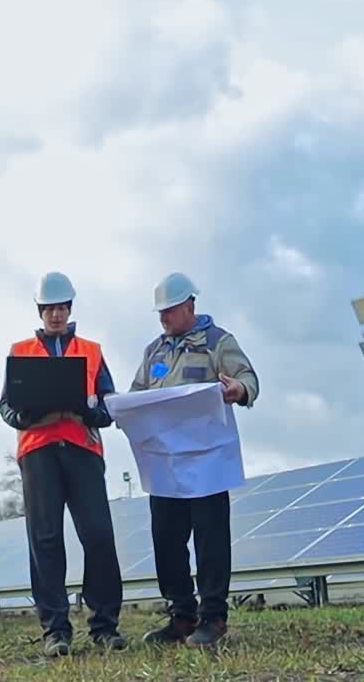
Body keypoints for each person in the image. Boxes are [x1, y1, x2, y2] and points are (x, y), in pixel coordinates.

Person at [0, 272, 126, 656]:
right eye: (49, 308)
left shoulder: (92, 350)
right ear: (40, 311)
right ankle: (55, 629)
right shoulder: (20, 351)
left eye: (62, 307)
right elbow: (5, 406)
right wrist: (28, 419)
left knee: (98, 534)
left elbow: (109, 405)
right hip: (38, 451)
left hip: (83, 450)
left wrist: (86, 411)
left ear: (70, 309)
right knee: (46, 539)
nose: (56, 314)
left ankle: (104, 626)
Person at [130, 271, 259, 648]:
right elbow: (138, 393)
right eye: (160, 313)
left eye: (169, 311)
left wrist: (239, 389)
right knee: (166, 539)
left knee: (210, 539)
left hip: (206, 463)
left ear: (190, 305)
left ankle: (213, 617)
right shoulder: (154, 350)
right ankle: (181, 615)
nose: (163, 318)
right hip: (166, 465)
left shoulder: (217, 342)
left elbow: (247, 377)